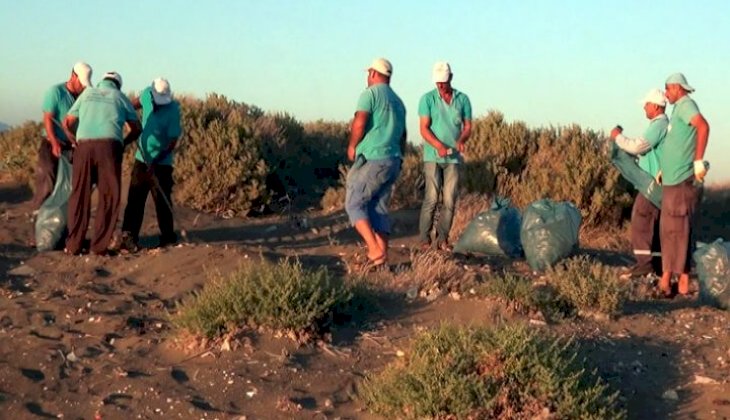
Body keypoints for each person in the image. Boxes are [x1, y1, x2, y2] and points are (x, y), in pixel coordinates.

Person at [62, 72, 141, 255]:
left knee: (79, 195)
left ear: (101, 82)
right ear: (118, 85)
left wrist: (74, 141)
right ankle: (99, 246)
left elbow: (67, 122)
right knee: (108, 196)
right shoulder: (120, 97)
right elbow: (136, 128)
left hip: (84, 147)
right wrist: (123, 142)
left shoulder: (87, 94)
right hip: (109, 147)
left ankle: (73, 245)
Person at [345, 58, 406, 269]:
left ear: (372, 73)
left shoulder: (369, 95)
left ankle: (374, 250)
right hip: (393, 159)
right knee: (378, 207)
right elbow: (403, 135)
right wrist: (401, 157)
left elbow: (360, 121)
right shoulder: (398, 102)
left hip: (374, 157)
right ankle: (382, 259)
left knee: (354, 202)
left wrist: (353, 145)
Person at [657, 73, 710, 296]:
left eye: (668, 89)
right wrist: (664, 168)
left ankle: (677, 280)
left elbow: (703, 126)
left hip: (680, 180)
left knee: (677, 229)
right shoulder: (678, 109)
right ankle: (671, 279)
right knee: (672, 229)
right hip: (672, 178)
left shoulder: (687, 105)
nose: (666, 93)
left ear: (678, 88)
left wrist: (698, 160)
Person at [610, 88, 668, 279]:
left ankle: (644, 264)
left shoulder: (658, 125)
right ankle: (658, 264)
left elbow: (638, 146)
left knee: (641, 217)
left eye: (647, 104)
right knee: (657, 223)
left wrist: (618, 137)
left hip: (651, 184)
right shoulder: (661, 125)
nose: (644, 107)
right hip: (660, 183)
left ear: (656, 107)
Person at [120, 78, 182, 251]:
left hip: (161, 163)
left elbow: (172, 141)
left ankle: (167, 237)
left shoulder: (173, 110)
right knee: (135, 199)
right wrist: (130, 120)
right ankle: (128, 237)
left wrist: (156, 160)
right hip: (142, 158)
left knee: (162, 201)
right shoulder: (147, 93)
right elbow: (132, 105)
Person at [417, 61, 472, 251]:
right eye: (437, 82)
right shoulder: (427, 99)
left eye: (443, 81)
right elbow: (424, 128)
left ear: (450, 78)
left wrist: (462, 139)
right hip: (433, 156)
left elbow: (467, 126)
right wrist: (438, 145)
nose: (440, 85)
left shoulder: (463, 99)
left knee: (449, 199)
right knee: (431, 198)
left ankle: (442, 238)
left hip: (453, 158)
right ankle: (424, 239)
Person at [32, 62, 92, 212]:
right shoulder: (56, 92)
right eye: (81, 82)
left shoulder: (84, 96)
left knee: (69, 186)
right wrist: (54, 143)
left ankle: (63, 227)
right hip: (51, 144)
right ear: (73, 76)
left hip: (71, 147)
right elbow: (48, 118)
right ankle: (40, 219)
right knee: (48, 180)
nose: (83, 86)